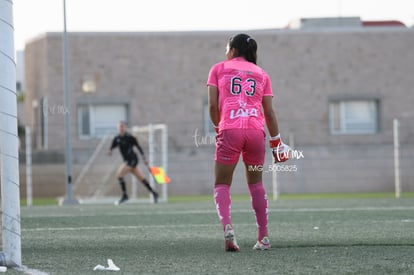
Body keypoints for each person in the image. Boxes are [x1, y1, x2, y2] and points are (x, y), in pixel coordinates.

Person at [206, 33, 290, 252]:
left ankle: (228, 230)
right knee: (256, 185)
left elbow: (213, 108)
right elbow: (269, 113)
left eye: (227, 48)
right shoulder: (262, 74)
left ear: (232, 50)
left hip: (230, 130)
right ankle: (263, 238)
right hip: (255, 133)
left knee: (222, 184)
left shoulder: (218, 69)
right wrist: (277, 143)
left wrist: (219, 128)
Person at [108, 121, 159, 204]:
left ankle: (125, 196)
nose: (121, 128)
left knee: (119, 175)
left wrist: (144, 158)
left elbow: (139, 147)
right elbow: (112, 146)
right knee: (142, 178)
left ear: (125, 127)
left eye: (122, 126)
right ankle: (154, 193)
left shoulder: (130, 137)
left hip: (132, 160)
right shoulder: (117, 138)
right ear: (117, 128)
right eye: (119, 127)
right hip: (127, 160)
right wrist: (110, 150)